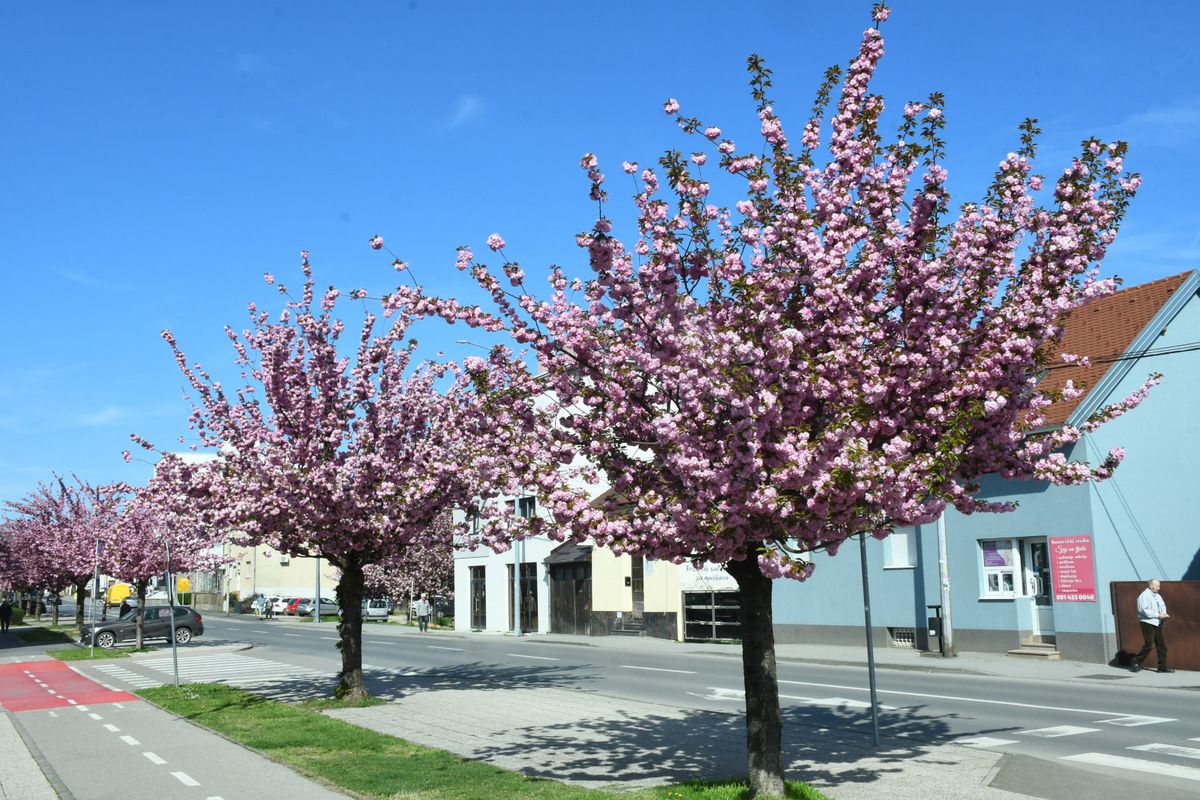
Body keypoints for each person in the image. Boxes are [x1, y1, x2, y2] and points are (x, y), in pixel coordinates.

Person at [1132, 579, 1172, 673]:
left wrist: (1164, 614)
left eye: (1159, 586)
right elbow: (1144, 610)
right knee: (1150, 645)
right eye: (1157, 586)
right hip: (1147, 622)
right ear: (1150, 586)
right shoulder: (1143, 596)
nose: (1159, 588)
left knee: (1162, 646)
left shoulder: (1158, 596)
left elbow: (1162, 606)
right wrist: (1158, 615)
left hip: (1157, 622)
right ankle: (1135, 661)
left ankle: (1162, 667)